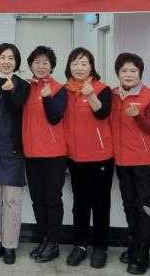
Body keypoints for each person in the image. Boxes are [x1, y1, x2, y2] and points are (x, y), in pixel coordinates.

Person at [111, 52, 150, 275]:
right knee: (129, 205)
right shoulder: (113, 95)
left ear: (140, 73)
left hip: (145, 162)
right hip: (122, 161)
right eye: (124, 70)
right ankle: (133, 245)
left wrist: (137, 116)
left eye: (133, 70)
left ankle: (143, 253)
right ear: (118, 73)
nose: (129, 74)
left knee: (144, 207)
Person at [63, 47, 113, 269]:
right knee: (80, 204)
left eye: (84, 63)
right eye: (75, 63)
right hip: (75, 158)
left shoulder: (102, 89)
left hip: (100, 157)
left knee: (100, 204)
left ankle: (100, 247)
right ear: (69, 67)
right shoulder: (64, 91)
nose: (79, 67)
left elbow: (102, 113)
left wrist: (90, 94)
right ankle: (80, 245)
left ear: (91, 67)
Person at [0, 43, 29, 265]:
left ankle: (9, 245)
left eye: (11, 58)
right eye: (2, 57)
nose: (6, 61)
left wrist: (9, 91)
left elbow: (13, 108)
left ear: (16, 61)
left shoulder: (23, 86)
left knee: (11, 200)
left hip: (13, 149)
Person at [22, 45, 67, 264]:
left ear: (52, 66)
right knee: (37, 200)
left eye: (45, 63)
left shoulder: (58, 89)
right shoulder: (25, 87)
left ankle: (53, 243)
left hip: (53, 154)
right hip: (31, 153)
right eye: (37, 62)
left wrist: (48, 98)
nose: (41, 66)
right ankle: (44, 239)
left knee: (52, 199)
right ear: (31, 65)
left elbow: (55, 117)